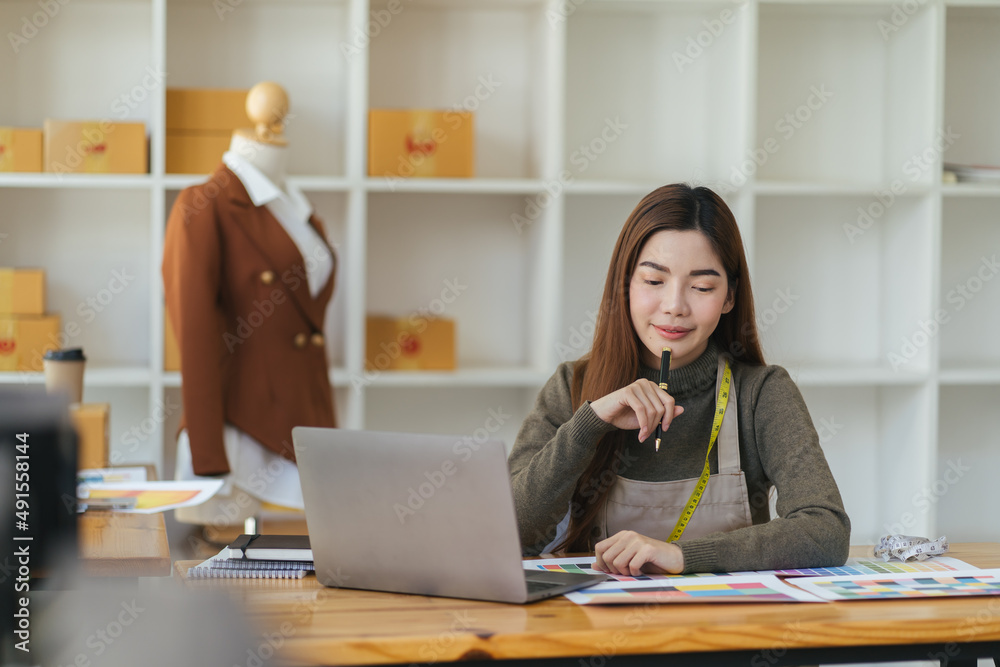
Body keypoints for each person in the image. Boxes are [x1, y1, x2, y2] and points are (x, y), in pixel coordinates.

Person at [508, 183, 850, 575]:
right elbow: (510, 535)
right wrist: (590, 422)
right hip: (599, 629)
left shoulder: (761, 393)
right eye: (654, 281)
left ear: (729, 298)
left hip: (726, 628)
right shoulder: (572, 384)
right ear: (625, 286)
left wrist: (683, 556)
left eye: (702, 287)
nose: (674, 306)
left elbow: (826, 531)